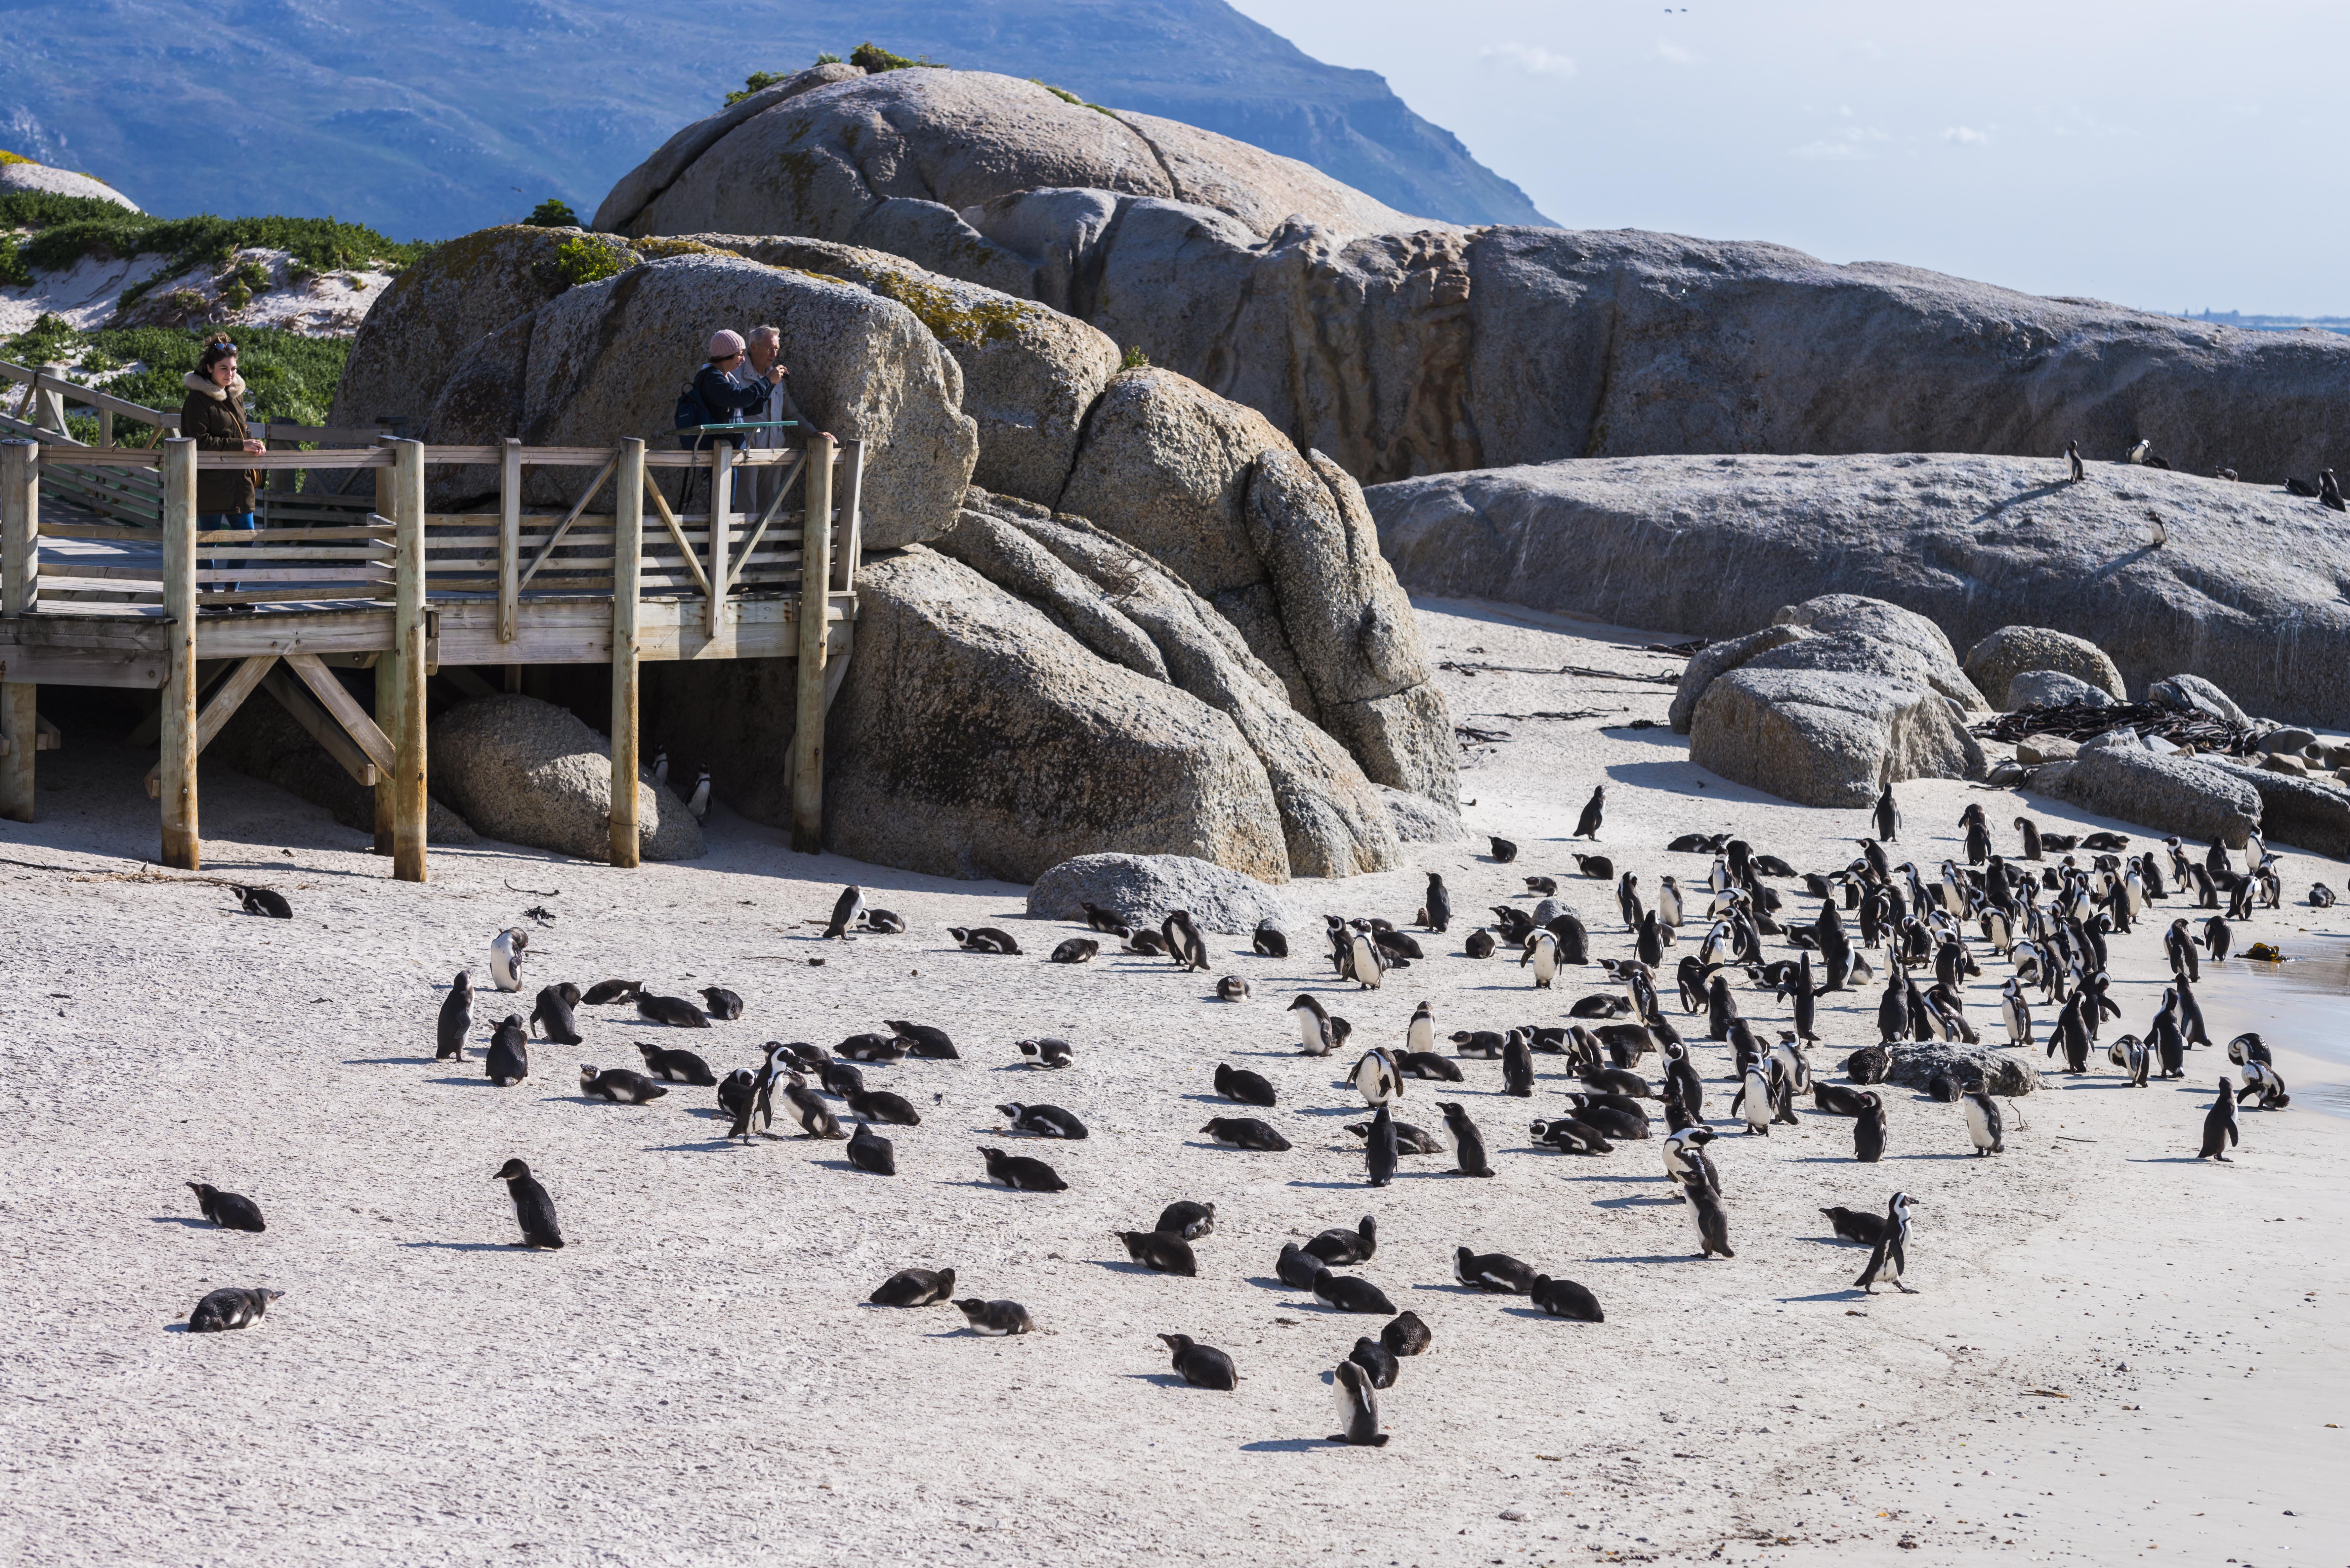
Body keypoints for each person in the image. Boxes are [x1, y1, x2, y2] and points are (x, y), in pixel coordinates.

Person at [179, 338, 266, 612]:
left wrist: (254, 443)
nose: (230, 375)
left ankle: (231, 593)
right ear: (209, 369)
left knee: (246, 535)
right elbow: (198, 441)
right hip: (210, 481)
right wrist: (241, 445)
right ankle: (208, 597)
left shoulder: (235, 396)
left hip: (239, 480)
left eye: (233, 369)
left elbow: (243, 430)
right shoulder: (196, 401)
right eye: (223, 369)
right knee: (208, 540)